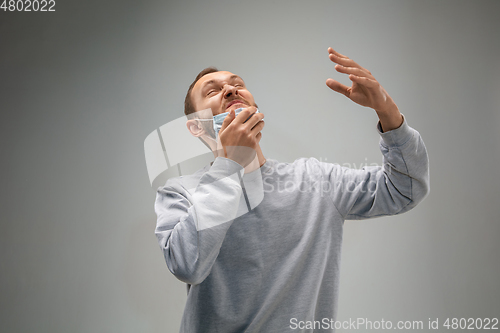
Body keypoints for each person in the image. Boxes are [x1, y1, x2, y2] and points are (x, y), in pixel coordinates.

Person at [154, 47, 430, 332]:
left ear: (255, 108)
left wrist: (387, 111)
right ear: (197, 128)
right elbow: (187, 265)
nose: (229, 90)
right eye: (212, 92)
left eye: (238, 85)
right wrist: (229, 164)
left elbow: (405, 189)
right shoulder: (180, 192)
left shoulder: (316, 181)